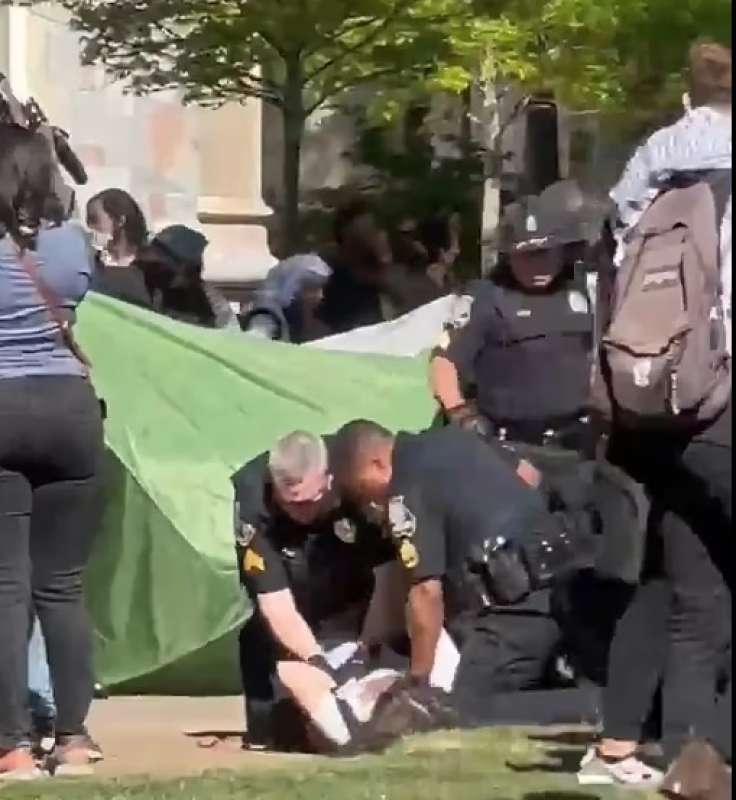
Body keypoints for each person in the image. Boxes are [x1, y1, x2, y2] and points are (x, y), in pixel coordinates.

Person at [604, 41, 732, 797]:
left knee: (699, 595)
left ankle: (692, 761)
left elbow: (612, 245)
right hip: (724, 400)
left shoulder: (657, 154)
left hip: (653, 405)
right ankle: (711, 746)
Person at [330, 420, 602, 726]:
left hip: (517, 605)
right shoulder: (456, 438)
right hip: (569, 574)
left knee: (465, 708)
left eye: (362, 490)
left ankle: (599, 708)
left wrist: (418, 678)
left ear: (377, 462)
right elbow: (529, 477)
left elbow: (425, 592)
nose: (368, 504)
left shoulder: (404, 488)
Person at [0, 126, 104, 779]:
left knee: (5, 586)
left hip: (2, 408)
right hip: (70, 408)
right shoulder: (71, 248)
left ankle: (10, 745)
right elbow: (62, 213)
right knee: (62, 587)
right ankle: (73, 739)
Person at [231, 431, 397, 750]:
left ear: (328, 478)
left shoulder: (355, 473)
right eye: (292, 504)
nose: (302, 512)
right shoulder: (254, 501)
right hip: (292, 605)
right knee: (286, 730)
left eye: (310, 501)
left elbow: (388, 573)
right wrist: (316, 660)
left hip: (354, 600)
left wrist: (368, 643)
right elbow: (275, 603)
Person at [316, 201, 396, 334]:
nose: (381, 237)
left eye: (376, 231)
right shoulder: (343, 303)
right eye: (368, 235)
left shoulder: (389, 289)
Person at [136, 225, 237, 329]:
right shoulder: (138, 281)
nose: (154, 270)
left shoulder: (212, 304)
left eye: (163, 266)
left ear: (189, 271)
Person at [239, 254, 332, 342]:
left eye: (320, 289)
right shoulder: (266, 319)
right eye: (311, 288)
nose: (320, 296)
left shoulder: (299, 317)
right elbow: (254, 345)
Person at [86, 188, 152, 309]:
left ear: (120, 221)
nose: (90, 228)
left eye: (95, 220)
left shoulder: (151, 270)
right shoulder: (89, 264)